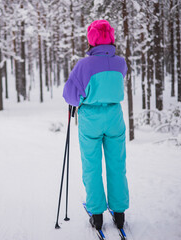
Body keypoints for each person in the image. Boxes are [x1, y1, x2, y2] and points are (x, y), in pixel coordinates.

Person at [62, 19, 129, 230]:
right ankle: (119, 214)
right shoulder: (121, 63)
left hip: (91, 118)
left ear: (91, 40)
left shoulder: (84, 65)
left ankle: (97, 214)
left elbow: (70, 95)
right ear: (111, 39)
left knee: (91, 166)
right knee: (117, 165)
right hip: (115, 116)